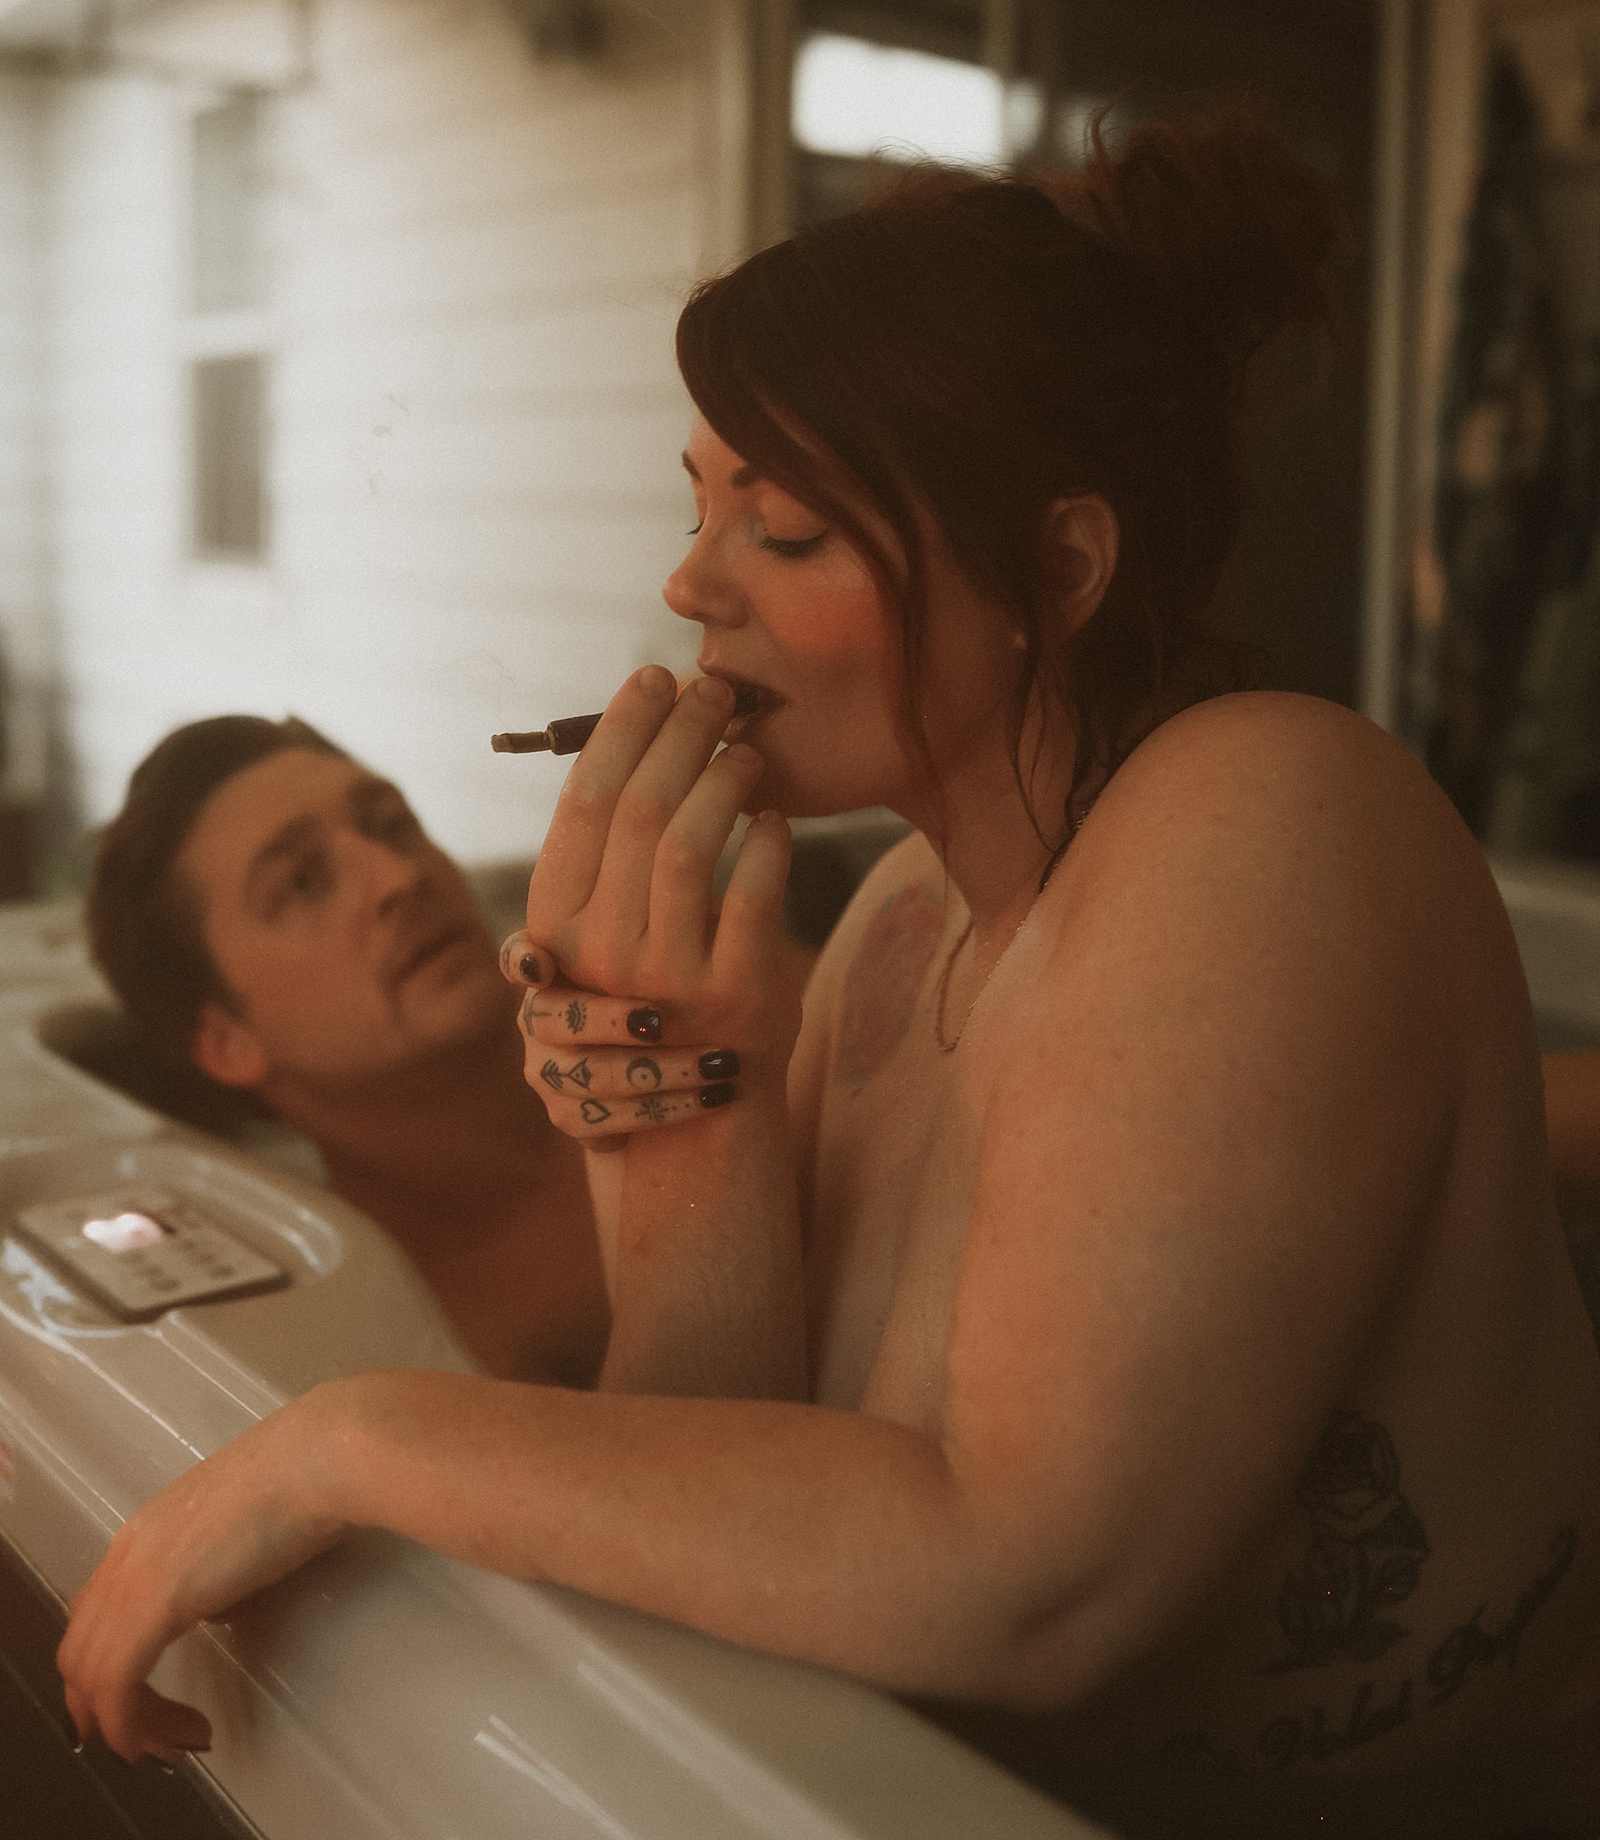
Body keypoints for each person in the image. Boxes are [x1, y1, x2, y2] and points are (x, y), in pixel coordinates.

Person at [59, 113, 1600, 1839]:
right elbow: (703, 1469)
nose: (687, 584)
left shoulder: (1267, 810)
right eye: (701, 504)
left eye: (782, 527)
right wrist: (690, 1117)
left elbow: (1028, 1578)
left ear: (1059, 571)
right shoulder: (900, 923)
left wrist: (343, 1442)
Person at [86, 716, 608, 1387]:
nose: (398, 877)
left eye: (390, 825)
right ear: (226, 1042)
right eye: (302, 883)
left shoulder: (708, 995)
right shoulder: (414, 1356)